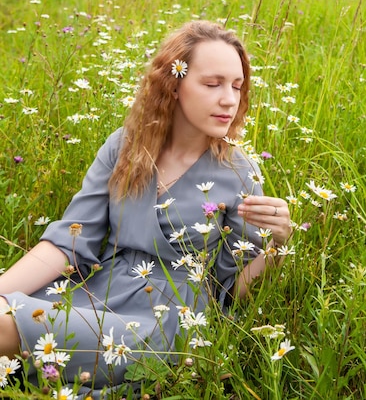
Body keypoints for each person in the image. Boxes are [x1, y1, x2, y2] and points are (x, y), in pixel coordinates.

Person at [0, 20, 291, 396]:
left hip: (165, 319)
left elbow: (230, 292)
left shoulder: (239, 171)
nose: (229, 100)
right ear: (174, 83)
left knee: (9, 327)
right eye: (212, 83)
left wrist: (275, 247)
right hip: (97, 289)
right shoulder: (125, 147)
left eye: (237, 86)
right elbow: (69, 239)